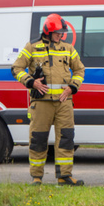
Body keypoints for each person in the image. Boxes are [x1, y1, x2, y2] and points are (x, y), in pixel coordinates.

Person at [11, 13, 85, 186]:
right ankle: (37, 177)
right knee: (38, 139)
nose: (61, 35)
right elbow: (16, 68)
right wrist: (31, 82)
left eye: (62, 32)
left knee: (66, 139)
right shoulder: (32, 47)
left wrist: (72, 87)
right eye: (58, 32)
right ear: (48, 31)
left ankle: (64, 176)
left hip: (63, 102)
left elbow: (80, 70)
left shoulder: (68, 48)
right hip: (41, 102)